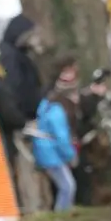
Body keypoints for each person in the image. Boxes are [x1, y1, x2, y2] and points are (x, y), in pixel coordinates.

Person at [32, 55, 79, 212]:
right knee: (68, 186)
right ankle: (62, 214)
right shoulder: (57, 110)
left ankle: (63, 212)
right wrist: (70, 156)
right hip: (52, 153)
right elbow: (61, 137)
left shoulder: (46, 105)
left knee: (63, 185)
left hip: (44, 149)